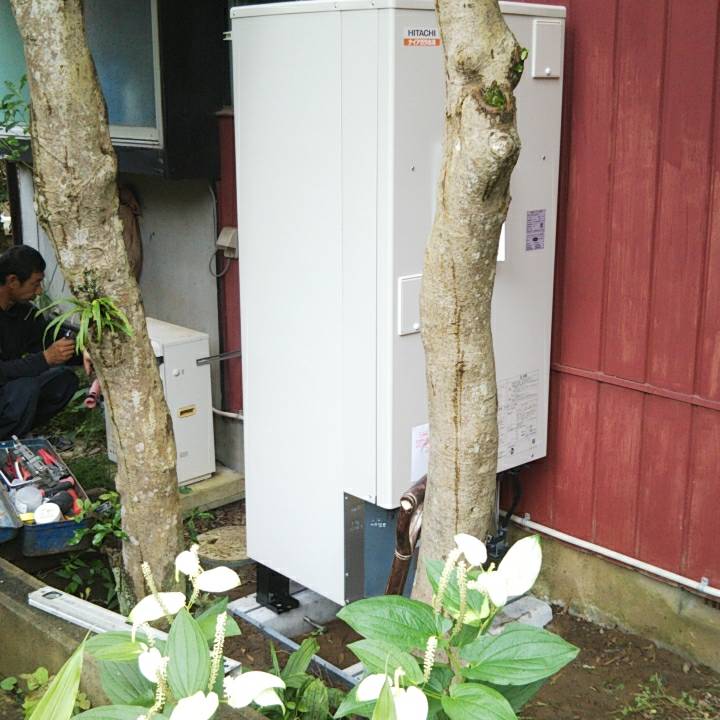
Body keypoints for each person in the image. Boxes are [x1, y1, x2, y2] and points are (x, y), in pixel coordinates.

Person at [0, 245, 80, 442]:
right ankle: (8, 444)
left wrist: (86, 348)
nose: (39, 290)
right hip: (8, 386)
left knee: (63, 380)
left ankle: (16, 433)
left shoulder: (25, 312)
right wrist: (45, 358)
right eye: (35, 283)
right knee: (25, 389)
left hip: (8, 390)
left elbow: (49, 338)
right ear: (12, 281)